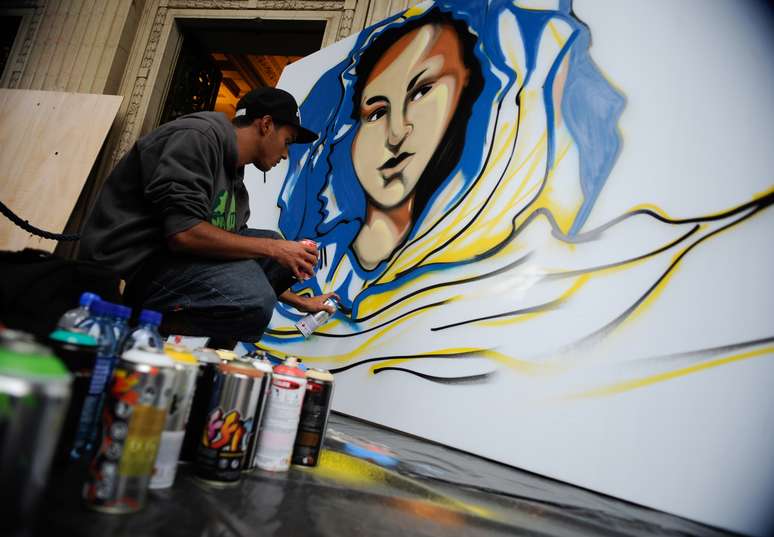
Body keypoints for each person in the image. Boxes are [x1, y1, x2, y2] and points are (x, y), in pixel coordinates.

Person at [78, 87, 336, 342]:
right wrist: (273, 248)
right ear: (266, 124)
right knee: (254, 299)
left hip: (169, 260)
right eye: (287, 142)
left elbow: (235, 243)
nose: (285, 153)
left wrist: (300, 301)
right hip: (130, 266)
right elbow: (184, 233)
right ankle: (137, 322)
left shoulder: (234, 169)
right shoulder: (196, 137)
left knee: (277, 254)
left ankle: (197, 353)